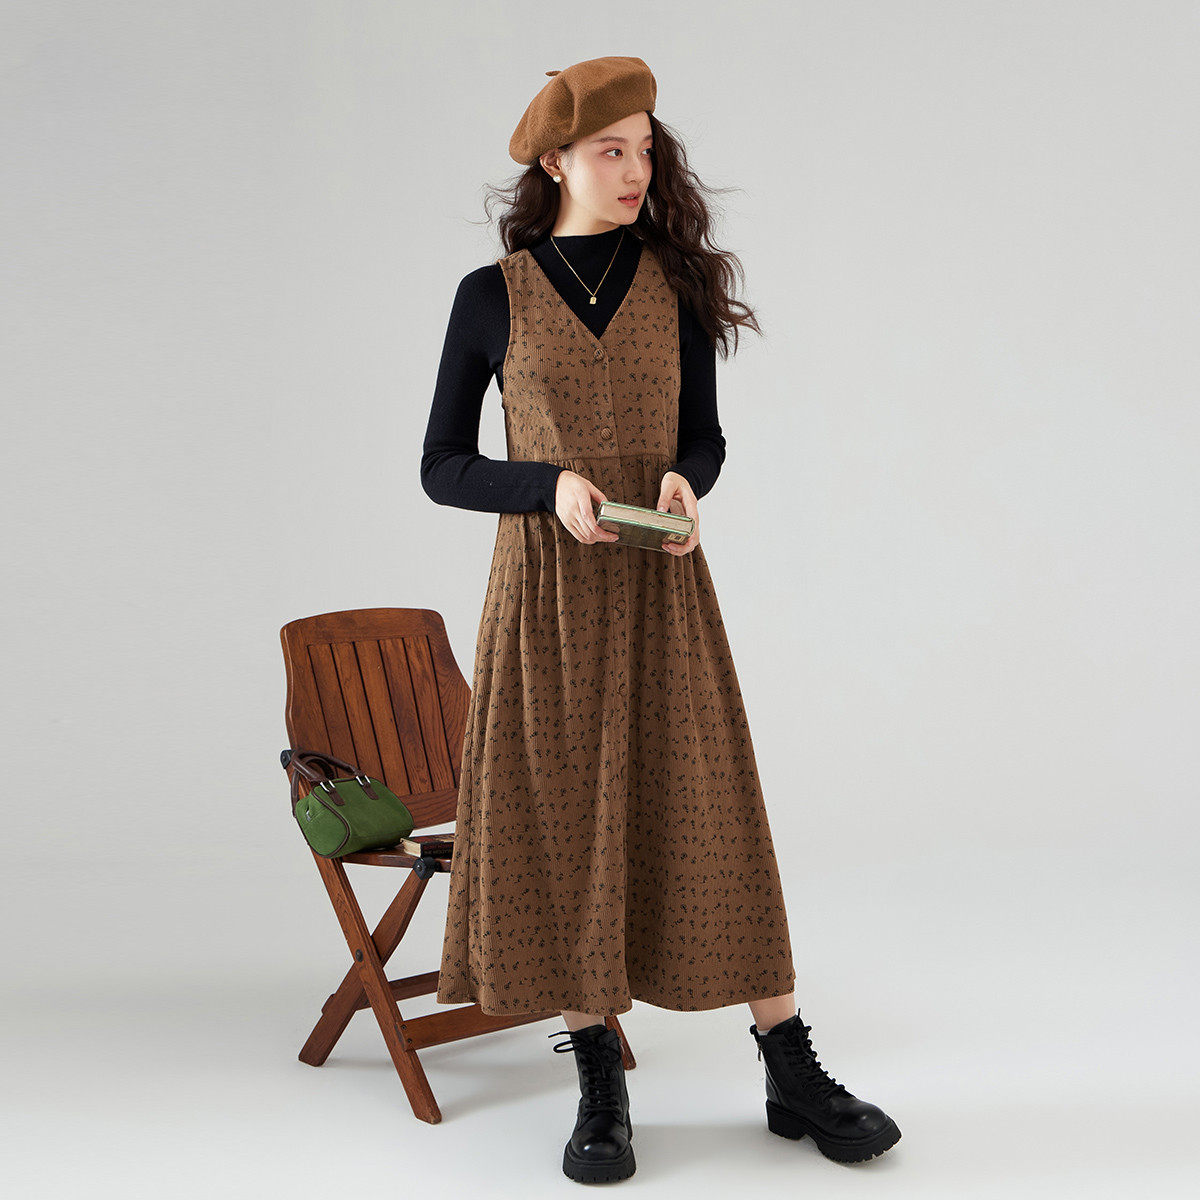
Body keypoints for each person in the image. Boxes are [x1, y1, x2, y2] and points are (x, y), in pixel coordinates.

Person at [420, 55, 901, 1184]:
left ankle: (789, 1064)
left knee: (713, 810)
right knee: (564, 823)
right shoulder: (490, 295)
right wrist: (547, 485)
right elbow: (441, 465)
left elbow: (705, 438)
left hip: (662, 593)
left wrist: (689, 482)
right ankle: (600, 1080)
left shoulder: (672, 284)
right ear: (557, 161)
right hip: (544, 606)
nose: (636, 169)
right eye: (611, 150)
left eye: (644, 148)